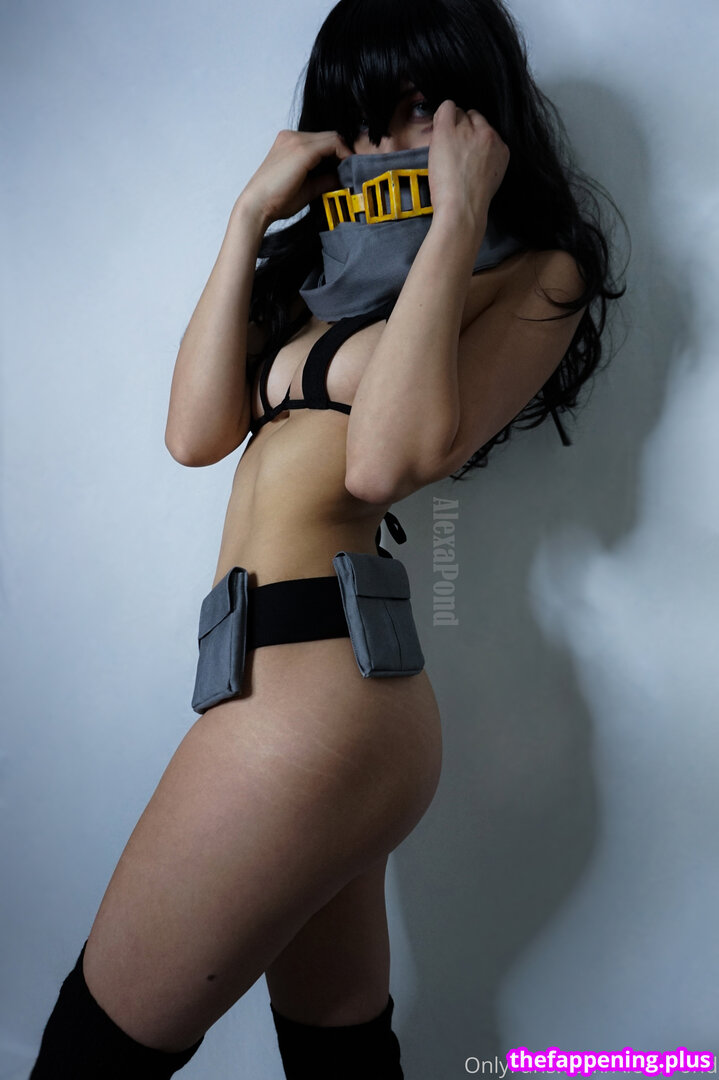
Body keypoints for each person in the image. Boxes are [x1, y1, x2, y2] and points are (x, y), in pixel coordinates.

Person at [29, 0, 626, 1076]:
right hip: (275, 689)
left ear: (477, 114)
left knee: (91, 1052)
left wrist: (457, 215)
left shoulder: (532, 272)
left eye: (413, 108)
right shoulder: (319, 283)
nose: (381, 143)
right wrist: (248, 215)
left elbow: (383, 462)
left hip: (320, 701)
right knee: (337, 1050)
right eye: (358, 117)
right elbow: (192, 434)